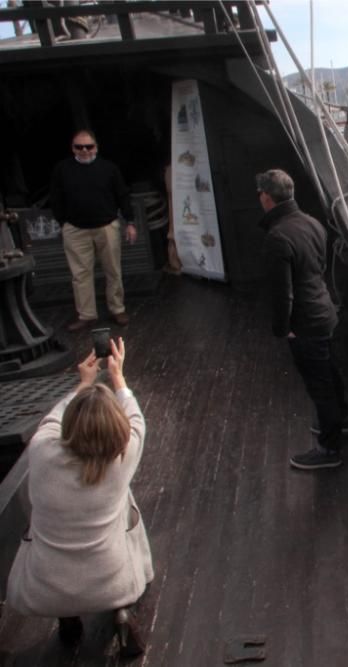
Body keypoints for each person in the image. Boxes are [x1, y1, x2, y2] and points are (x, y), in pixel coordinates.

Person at [5, 338, 152, 656]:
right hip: (111, 583)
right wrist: (118, 377)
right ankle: (121, 611)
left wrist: (84, 384)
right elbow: (136, 419)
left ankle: (68, 617)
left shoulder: (42, 451)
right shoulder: (123, 456)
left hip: (44, 588)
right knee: (125, 504)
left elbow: (53, 419)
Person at [255, 169, 348, 470]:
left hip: (306, 323)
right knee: (330, 374)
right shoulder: (313, 224)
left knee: (319, 385)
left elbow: (283, 293)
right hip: (325, 312)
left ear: (267, 198)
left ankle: (329, 449)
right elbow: (318, 267)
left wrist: (284, 330)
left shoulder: (278, 237)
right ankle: (343, 421)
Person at [49, 129, 137, 331]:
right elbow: (55, 197)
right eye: (79, 147)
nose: (84, 150)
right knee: (80, 274)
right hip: (75, 229)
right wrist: (64, 222)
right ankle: (87, 315)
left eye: (88, 146)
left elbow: (122, 195)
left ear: (96, 147)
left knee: (113, 270)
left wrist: (130, 222)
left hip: (106, 226)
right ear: (73, 148)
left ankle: (117, 309)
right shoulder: (62, 170)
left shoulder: (109, 168)